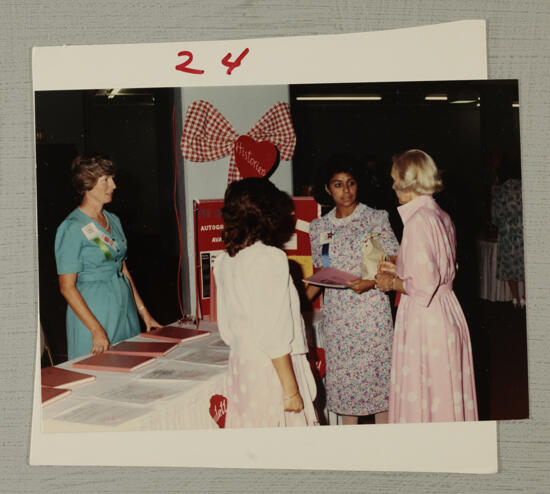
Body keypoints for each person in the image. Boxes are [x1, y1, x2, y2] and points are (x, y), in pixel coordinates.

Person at [375, 149, 478, 423]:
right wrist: (399, 266)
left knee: (425, 392)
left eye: (395, 179)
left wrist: (391, 281)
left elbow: (422, 285)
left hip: (426, 318)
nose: (393, 185)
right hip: (446, 310)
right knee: (442, 392)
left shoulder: (418, 222)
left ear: (407, 182)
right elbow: (440, 267)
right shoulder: (440, 215)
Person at [213, 177, 318, 428]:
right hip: (274, 371)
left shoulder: (225, 260)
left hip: (243, 365)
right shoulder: (269, 258)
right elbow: (275, 332)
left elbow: (226, 328)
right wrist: (291, 390)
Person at [307, 154, 399, 425]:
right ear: (327, 189)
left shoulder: (375, 218)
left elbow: (392, 257)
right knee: (347, 389)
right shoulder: (319, 227)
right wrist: (298, 303)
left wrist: (370, 281)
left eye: (350, 183)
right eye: (337, 185)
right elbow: (320, 271)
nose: (345, 191)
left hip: (371, 313)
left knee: (380, 387)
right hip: (338, 318)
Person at [55, 155, 160, 361]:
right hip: (95, 313)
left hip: (124, 307)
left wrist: (143, 313)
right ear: (88, 184)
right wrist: (96, 330)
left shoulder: (113, 220)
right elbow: (67, 287)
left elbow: (122, 269)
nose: (114, 185)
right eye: (106, 180)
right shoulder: (71, 228)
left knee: (130, 367)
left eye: (112, 178)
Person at [491, 159, 525, 307]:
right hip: (523, 231)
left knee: (510, 266)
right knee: (524, 265)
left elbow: (495, 217)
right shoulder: (525, 188)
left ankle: (515, 298)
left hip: (506, 233)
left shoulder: (499, 191)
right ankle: (525, 297)